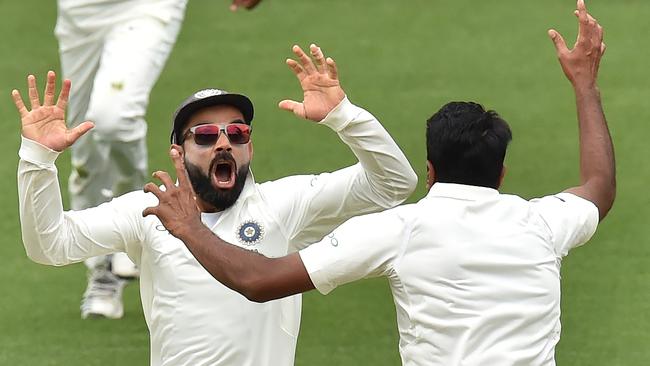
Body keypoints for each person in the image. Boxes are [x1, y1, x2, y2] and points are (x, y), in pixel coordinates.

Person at [144, 1, 615, 364]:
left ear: (429, 172)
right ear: (502, 174)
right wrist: (584, 84)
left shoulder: (397, 230)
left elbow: (258, 280)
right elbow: (598, 185)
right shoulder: (542, 221)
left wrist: (190, 227)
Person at [13, 44, 417, 365]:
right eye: (205, 135)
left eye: (237, 132)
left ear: (249, 145)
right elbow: (50, 244)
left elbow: (394, 183)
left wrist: (344, 116)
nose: (224, 142)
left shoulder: (285, 204)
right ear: (179, 150)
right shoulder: (149, 211)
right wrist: (37, 158)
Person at [55, 0, 264, 319]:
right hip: (79, 12)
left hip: (147, 6)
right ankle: (102, 269)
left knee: (114, 119)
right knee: (84, 147)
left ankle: (132, 216)